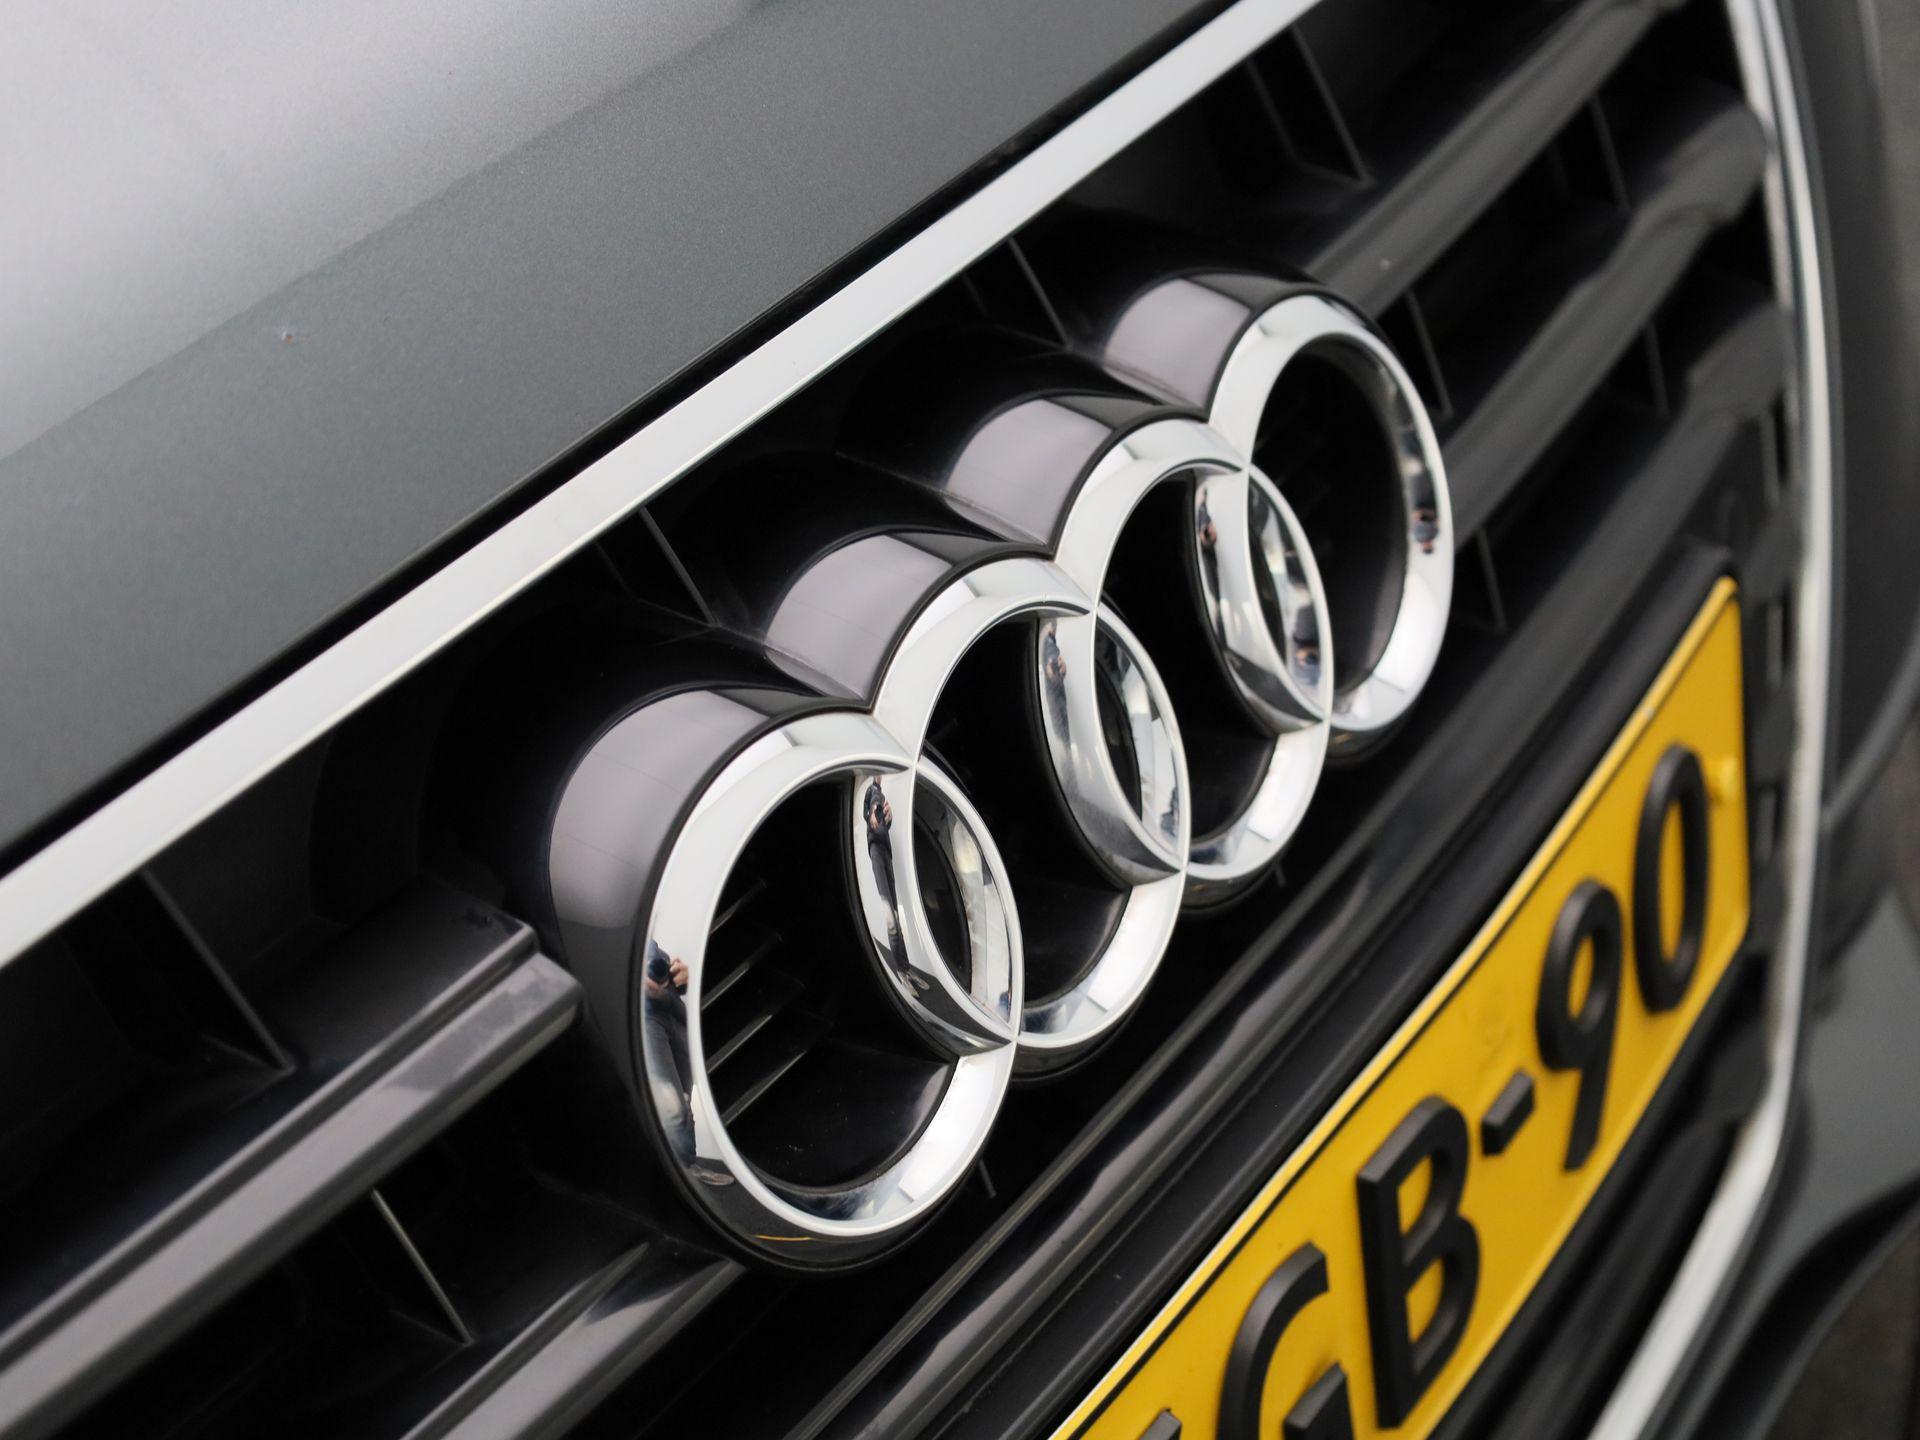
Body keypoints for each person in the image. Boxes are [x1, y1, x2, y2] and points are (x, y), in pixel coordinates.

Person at [643, 940, 732, 1186]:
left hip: (676, 1018)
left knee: (683, 1098)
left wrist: (682, 977)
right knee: (671, 1104)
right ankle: (677, 1174)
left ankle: (688, 1167)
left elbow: (673, 984)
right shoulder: (619, 948)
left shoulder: (653, 948)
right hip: (649, 1021)